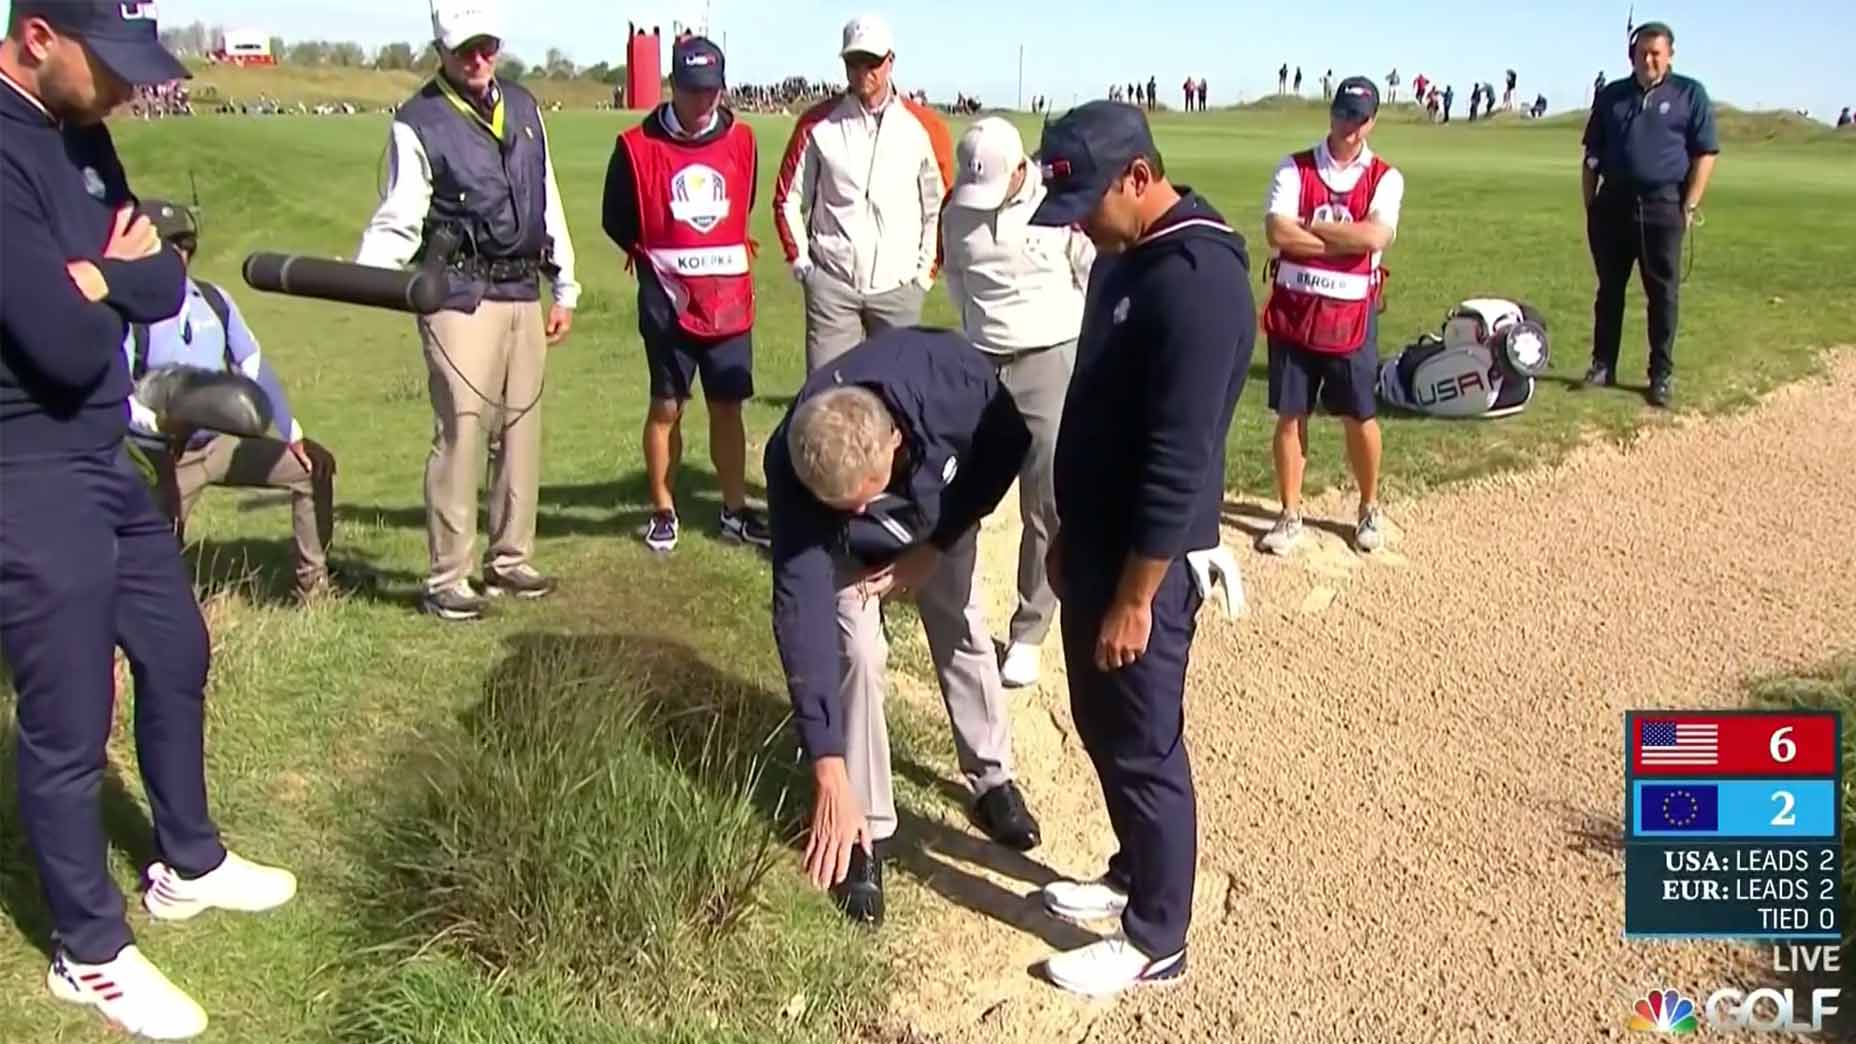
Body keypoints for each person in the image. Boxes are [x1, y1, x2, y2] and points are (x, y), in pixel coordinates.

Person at [0, 4, 298, 1039]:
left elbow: (165, 275)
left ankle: (189, 861)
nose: (133, 88)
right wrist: (105, 284)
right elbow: (62, 347)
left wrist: (105, 278)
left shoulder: (83, 135)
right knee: (69, 716)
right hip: (25, 467)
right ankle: (88, 950)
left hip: (100, 454)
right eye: (113, 65)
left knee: (176, 648)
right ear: (37, 35)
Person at [1024, 100, 1254, 997]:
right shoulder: (1126, 257)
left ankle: (1160, 935)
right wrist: (1072, 532)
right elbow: (1101, 408)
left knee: (1145, 742)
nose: (1078, 223)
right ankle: (1132, 873)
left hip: (1144, 565)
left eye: (1087, 201)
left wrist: (1133, 595)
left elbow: (1176, 456)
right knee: (1102, 721)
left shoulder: (1196, 281)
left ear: (1140, 177)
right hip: (1098, 543)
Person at [768, 326, 1045, 927]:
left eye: (866, 497)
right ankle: (862, 827)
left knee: (959, 621)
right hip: (843, 546)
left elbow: (1006, 447)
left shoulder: (953, 378)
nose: (865, 514)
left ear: (893, 441)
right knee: (856, 652)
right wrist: (825, 763)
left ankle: (992, 779)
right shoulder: (794, 463)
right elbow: (800, 612)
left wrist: (938, 545)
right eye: (850, 507)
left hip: (937, 513)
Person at [355, 0, 580, 621]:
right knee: (461, 428)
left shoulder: (527, 107)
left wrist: (564, 285)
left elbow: (546, 201)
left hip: (521, 291)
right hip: (458, 293)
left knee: (521, 430)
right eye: (464, 50)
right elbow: (399, 217)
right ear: (441, 53)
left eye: (487, 46)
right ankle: (448, 576)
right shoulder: (417, 121)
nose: (479, 60)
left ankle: (510, 559)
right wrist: (362, 277)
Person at [940, 117, 1095, 690]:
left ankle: (1029, 631)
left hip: (1049, 357)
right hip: (981, 361)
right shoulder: (958, 208)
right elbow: (957, 276)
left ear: (1022, 171)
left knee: (1045, 498)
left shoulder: (1059, 208)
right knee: (960, 489)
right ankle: (957, 610)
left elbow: (1090, 272)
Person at [602, 36, 770, 555]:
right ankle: (663, 509)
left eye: (713, 91)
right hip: (668, 303)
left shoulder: (743, 141)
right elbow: (617, 220)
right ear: (674, 85)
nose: (705, 102)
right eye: (694, 91)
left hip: (729, 302)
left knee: (728, 407)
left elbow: (742, 203)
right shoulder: (634, 146)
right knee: (666, 407)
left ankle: (735, 510)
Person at [123, 200, 339, 602]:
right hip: (165, 455)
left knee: (311, 469)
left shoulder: (214, 300)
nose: (180, 254)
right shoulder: (127, 312)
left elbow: (253, 363)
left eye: (186, 244)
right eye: (168, 244)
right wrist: (156, 432)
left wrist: (294, 435)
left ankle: (316, 587)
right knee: (153, 552)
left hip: (220, 442)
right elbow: (116, 393)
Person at [1256, 76, 1405, 556]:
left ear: (1372, 121)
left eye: (1360, 119)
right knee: (1290, 414)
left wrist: (1312, 230)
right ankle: (1289, 511)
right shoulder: (1294, 167)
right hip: (1295, 311)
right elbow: (1277, 231)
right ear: (1331, 113)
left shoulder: (1385, 176)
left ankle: (1368, 507)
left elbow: (1375, 239)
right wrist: (1342, 238)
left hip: (1352, 314)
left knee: (1360, 415)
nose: (1351, 128)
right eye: (1344, 115)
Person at [774, 14, 953, 373]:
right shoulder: (817, 124)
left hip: (899, 288)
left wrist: (923, 276)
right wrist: (804, 266)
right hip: (832, 286)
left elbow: (940, 207)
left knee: (900, 399)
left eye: (872, 62)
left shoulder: (924, 127)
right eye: (854, 62)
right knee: (827, 403)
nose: (863, 72)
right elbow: (788, 198)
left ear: (891, 62)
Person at [1580, 20, 1719, 408]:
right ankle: (1602, 365)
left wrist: (1689, 204)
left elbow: (1704, 153)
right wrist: (1591, 206)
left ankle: (1660, 374)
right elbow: (1591, 155)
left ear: (1669, 55)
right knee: (1609, 291)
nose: (1649, 59)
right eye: (1642, 52)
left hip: (1663, 207)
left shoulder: (1690, 94)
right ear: (1632, 55)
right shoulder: (1612, 96)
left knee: (1663, 295)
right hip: (1613, 207)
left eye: (1656, 53)